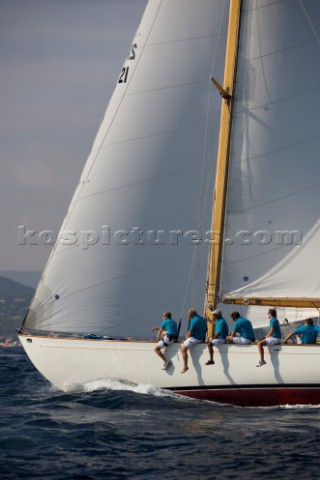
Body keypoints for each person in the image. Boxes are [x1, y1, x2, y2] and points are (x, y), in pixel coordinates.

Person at [180, 309, 207, 374]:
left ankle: (185, 366)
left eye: (188, 315)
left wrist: (186, 339)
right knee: (185, 342)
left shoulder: (193, 320)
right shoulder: (203, 319)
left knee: (183, 350)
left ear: (191, 315)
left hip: (195, 338)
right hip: (201, 338)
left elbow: (189, 332)